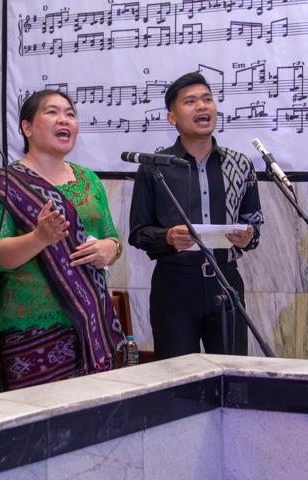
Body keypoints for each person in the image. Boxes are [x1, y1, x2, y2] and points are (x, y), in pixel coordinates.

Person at [0, 89, 125, 391]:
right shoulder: (4, 184)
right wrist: (38, 238)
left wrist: (111, 249)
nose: (64, 120)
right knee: (42, 419)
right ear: (27, 127)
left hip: (92, 322)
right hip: (31, 333)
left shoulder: (88, 180)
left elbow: (112, 237)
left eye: (70, 114)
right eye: (52, 112)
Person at [128, 71, 263, 359]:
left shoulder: (240, 164)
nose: (202, 106)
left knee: (232, 372)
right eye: (190, 101)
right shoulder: (155, 167)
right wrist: (167, 237)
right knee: (177, 375)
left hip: (226, 282)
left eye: (207, 99)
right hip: (174, 286)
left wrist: (247, 237)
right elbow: (138, 232)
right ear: (172, 117)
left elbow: (253, 225)